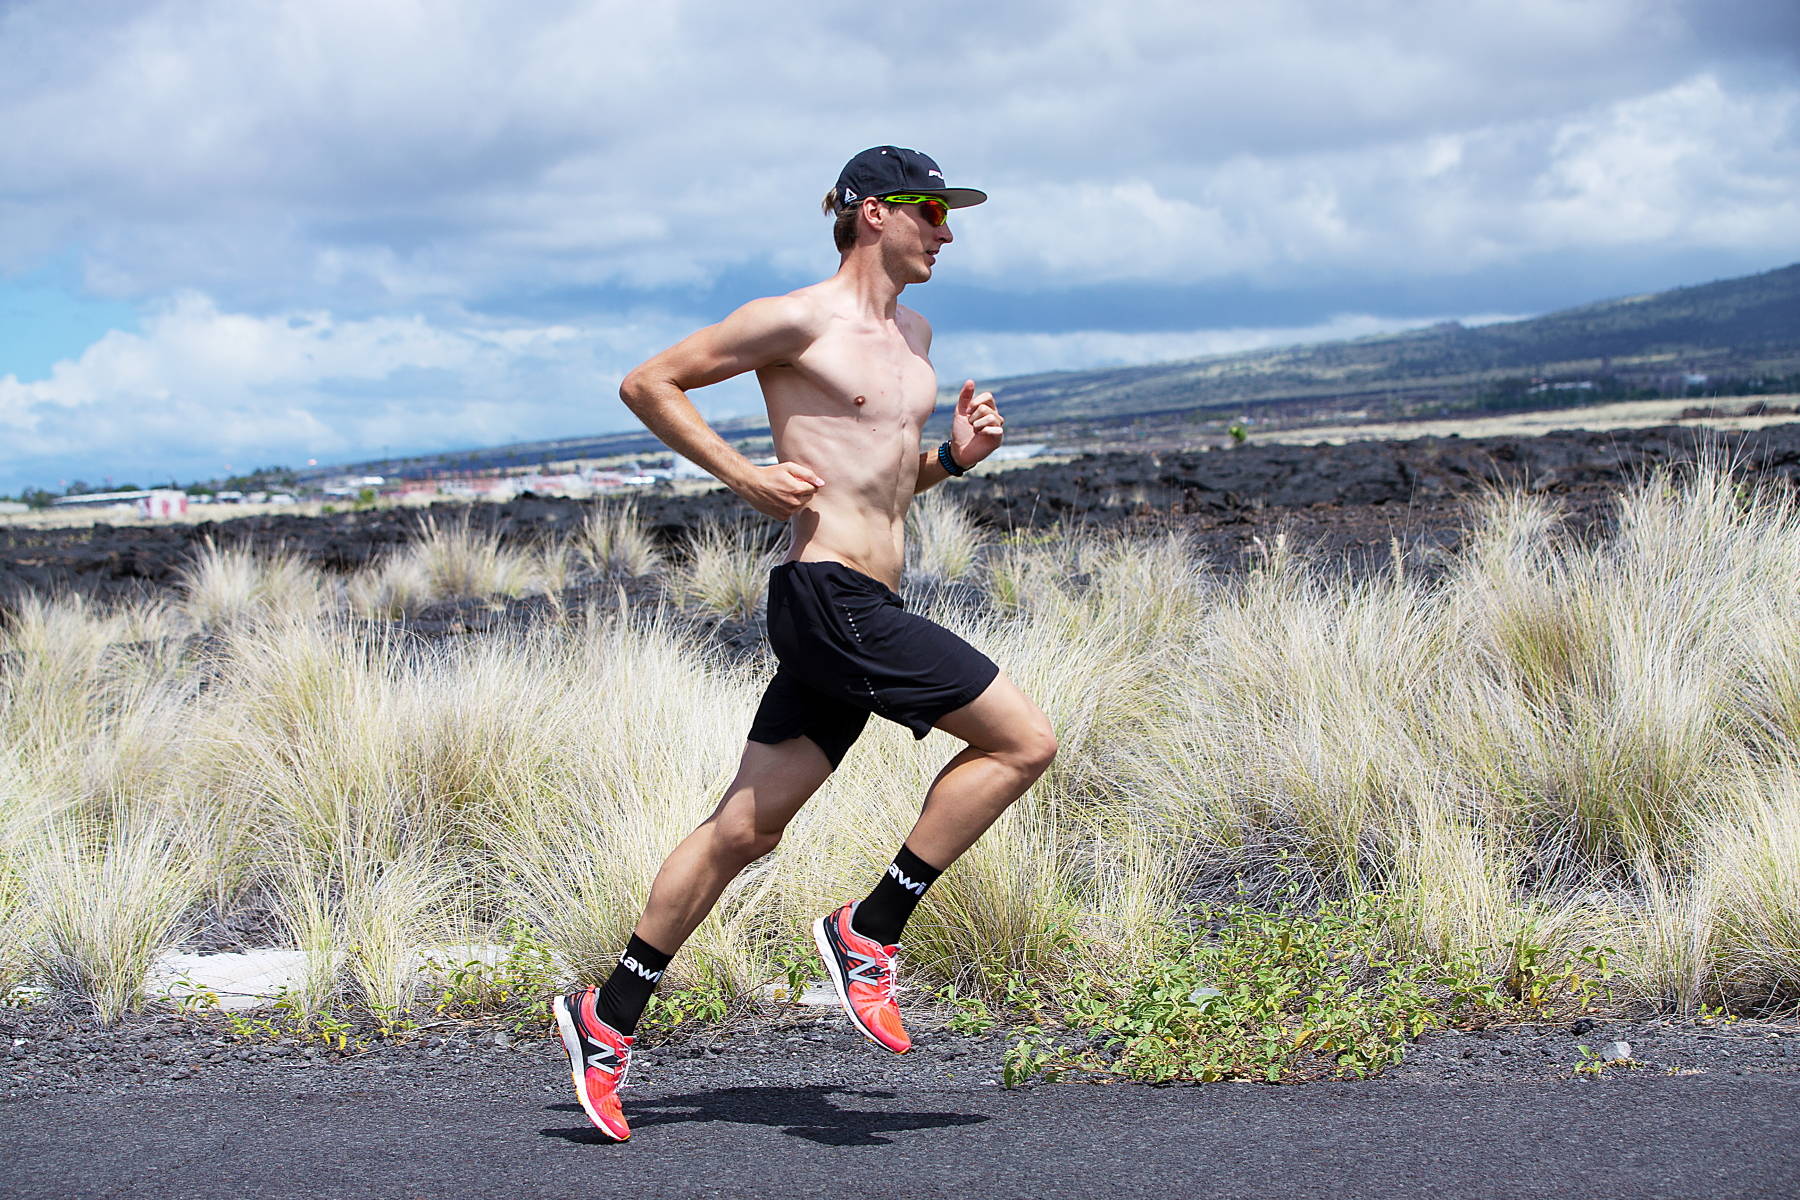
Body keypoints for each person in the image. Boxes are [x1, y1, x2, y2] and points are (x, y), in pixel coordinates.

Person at [552, 146, 1058, 1141]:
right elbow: (648, 383)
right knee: (1022, 741)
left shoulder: (912, 335)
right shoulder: (798, 318)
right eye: (929, 211)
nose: (946, 232)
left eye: (950, 216)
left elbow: (879, 480)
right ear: (874, 213)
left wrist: (954, 459)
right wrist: (743, 476)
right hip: (829, 599)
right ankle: (870, 932)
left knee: (745, 829)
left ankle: (605, 1019)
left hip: (859, 604)